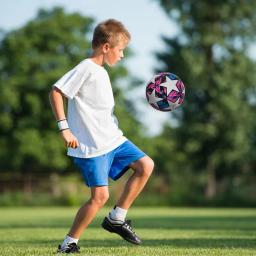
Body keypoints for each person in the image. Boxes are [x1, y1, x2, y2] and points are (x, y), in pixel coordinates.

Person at [49, 19, 154, 254]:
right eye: (121, 50)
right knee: (99, 197)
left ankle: (117, 218)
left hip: (113, 140)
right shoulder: (86, 68)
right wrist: (64, 128)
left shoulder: (102, 73)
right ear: (106, 47)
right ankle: (68, 244)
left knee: (146, 165)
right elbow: (56, 92)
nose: (123, 55)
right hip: (91, 146)